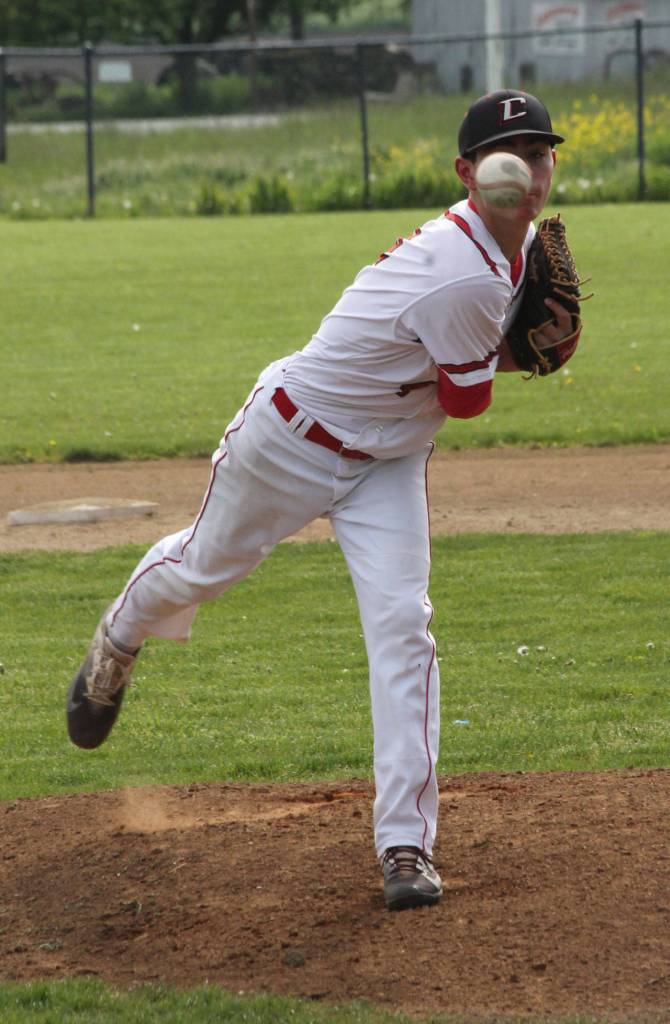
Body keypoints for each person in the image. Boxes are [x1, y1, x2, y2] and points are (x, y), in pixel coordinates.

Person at [67, 89, 576, 912]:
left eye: (542, 150)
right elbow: (470, 398)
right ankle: (119, 639)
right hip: (290, 441)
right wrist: (528, 353)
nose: (530, 167)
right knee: (203, 567)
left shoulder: (506, 255)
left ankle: (404, 846)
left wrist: (517, 343)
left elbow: (462, 372)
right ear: (468, 174)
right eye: (508, 153)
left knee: (404, 629)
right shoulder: (462, 271)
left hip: (387, 461)